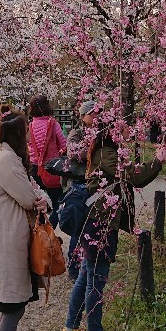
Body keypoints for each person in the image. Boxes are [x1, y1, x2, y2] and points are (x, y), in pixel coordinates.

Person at [62, 115, 166, 331]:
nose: (127, 129)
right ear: (111, 129)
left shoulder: (106, 151)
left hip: (95, 220)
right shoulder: (107, 154)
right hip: (100, 224)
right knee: (96, 280)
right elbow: (135, 176)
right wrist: (158, 161)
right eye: (123, 125)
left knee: (85, 276)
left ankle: (70, 328)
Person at [0, 107, 50, 331]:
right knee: (13, 309)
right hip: (7, 242)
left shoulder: (9, 157)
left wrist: (41, 198)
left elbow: (33, 191)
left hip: (11, 239)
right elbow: (28, 197)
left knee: (14, 308)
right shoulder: (7, 160)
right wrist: (40, 199)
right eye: (26, 129)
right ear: (17, 134)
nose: (30, 132)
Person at [61, 99, 97, 280]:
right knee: (78, 226)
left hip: (96, 186)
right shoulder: (76, 133)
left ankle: (89, 263)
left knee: (92, 226)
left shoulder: (102, 132)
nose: (95, 116)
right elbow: (73, 153)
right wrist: (94, 149)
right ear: (83, 116)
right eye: (91, 113)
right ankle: (74, 267)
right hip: (79, 185)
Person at [27, 94, 66, 208]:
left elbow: (28, 146)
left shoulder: (30, 126)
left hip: (34, 167)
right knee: (57, 203)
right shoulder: (53, 124)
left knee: (39, 203)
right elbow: (63, 144)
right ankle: (53, 225)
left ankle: (41, 225)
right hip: (52, 167)